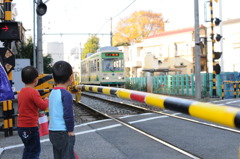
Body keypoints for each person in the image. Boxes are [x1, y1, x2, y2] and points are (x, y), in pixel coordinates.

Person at [17, 66, 48, 159]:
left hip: (21, 127)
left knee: (28, 149)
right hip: (31, 127)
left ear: (22, 80)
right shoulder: (33, 92)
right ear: (36, 80)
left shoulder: (21, 92)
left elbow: (27, 107)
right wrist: (46, 100)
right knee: (34, 152)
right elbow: (43, 106)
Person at [48, 61, 76, 159]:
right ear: (71, 77)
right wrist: (70, 130)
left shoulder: (52, 93)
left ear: (53, 76)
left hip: (52, 131)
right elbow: (68, 115)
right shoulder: (66, 94)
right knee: (67, 156)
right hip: (63, 132)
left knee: (58, 156)